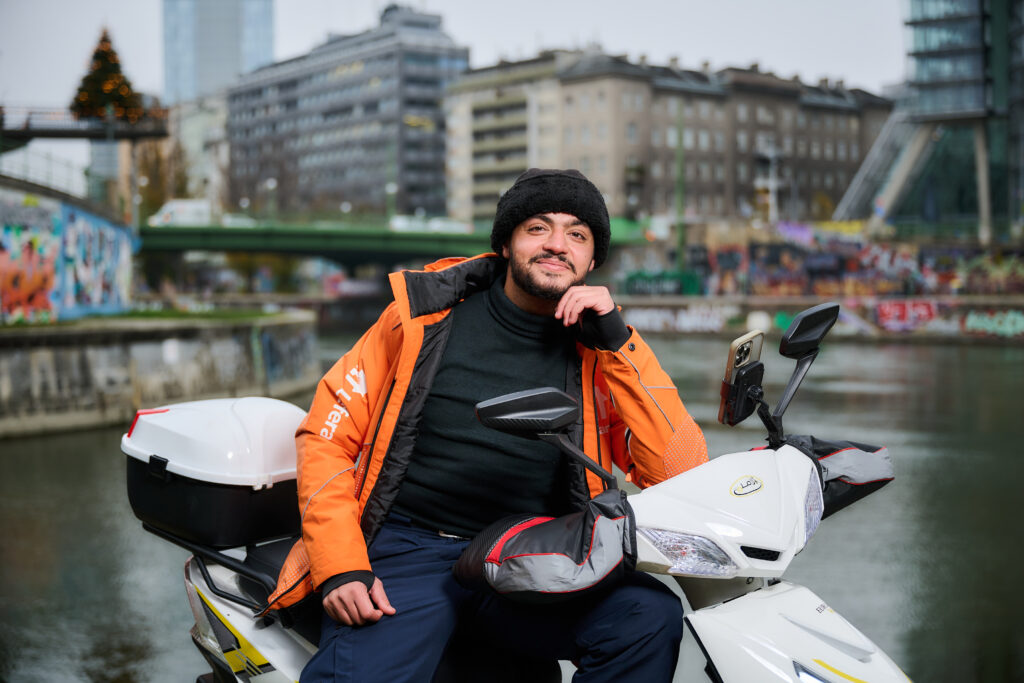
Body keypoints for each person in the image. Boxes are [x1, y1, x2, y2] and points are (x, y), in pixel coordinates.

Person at [269, 168, 708, 682]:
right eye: (538, 228)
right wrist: (341, 566)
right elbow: (324, 439)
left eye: (577, 235)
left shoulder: (603, 354)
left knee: (648, 616)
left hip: (533, 553)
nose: (557, 245)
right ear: (506, 242)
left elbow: (682, 472)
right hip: (408, 548)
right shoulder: (419, 320)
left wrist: (619, 342)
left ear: (592, 261)